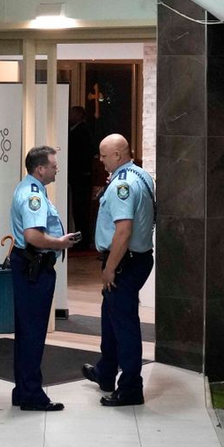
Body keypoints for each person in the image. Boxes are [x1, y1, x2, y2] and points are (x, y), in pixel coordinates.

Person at [82, 133, 155, 406]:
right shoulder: (141, 175)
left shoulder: (121, 184)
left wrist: (110, 268)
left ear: (117, 155)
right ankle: (105, 371)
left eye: (104, 155)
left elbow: (123, 231)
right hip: (138, 258)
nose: (100, 160)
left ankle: (131, 388)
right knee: (110, 317)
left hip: (125, 262)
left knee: (124, 326)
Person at [9, 145, 79, 411]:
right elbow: (33, 236)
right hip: (34, 268)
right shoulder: (33, 195)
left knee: (27, 331)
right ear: (40, 169)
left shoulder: (30, 187)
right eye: (53, 165)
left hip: (30, 266)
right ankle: (31, 395)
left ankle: (23, 390)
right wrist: (60, 243)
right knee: (33, 333)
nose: (57, 169)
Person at [66, 104, 96, 249]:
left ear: (79, 116)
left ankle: (83, 241)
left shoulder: (82, 132)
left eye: (72, 114)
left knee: (81, 210)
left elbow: (81, 155)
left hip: (81, 177)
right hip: (77, 177)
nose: (69, 116)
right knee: (78, 210)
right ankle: (81, 239)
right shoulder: (74, 130)